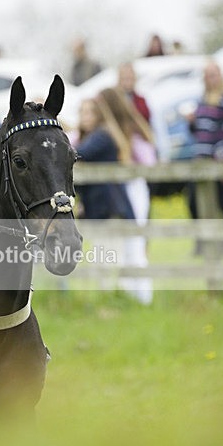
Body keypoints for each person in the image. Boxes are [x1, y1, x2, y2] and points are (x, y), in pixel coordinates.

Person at [98, 87, 157, 304]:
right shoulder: (106, 131)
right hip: (119, 189)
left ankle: (142, 296)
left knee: (135, 242)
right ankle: (128, 293)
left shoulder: (130, 130)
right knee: (120, 244)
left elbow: (149, 160)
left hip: (133, 187)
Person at [186, 60, 223, 223]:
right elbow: (200, 132)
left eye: (214, 75)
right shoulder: (202, 101)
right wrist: (192, 122)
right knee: (194, 202)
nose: (211, 79)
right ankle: (204, 236)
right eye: (207, 76)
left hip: (219, 160)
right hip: (201, 159)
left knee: (221, 203)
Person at [75, 97, 135, 220]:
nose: (85, 117)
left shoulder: (101, 135)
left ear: (99, 114)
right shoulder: (90, 136)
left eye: (89, 112)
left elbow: (80, 152)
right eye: (82, 112)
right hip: (99, 203)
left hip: (108, 204)